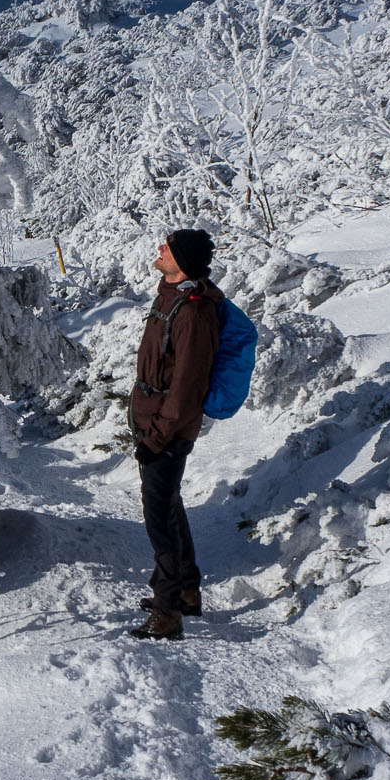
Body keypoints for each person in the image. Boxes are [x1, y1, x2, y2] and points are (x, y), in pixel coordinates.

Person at [127, 228, 222, 640]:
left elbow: (186, 388)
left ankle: (167, 614)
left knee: (159, 520)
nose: (159, 249)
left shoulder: (194, 313)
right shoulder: (173, 295)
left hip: (166, 428)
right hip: (153, 419)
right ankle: (186, 590)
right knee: (170, 507)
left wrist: (156, 439)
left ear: (181, 260)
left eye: (167, 247)